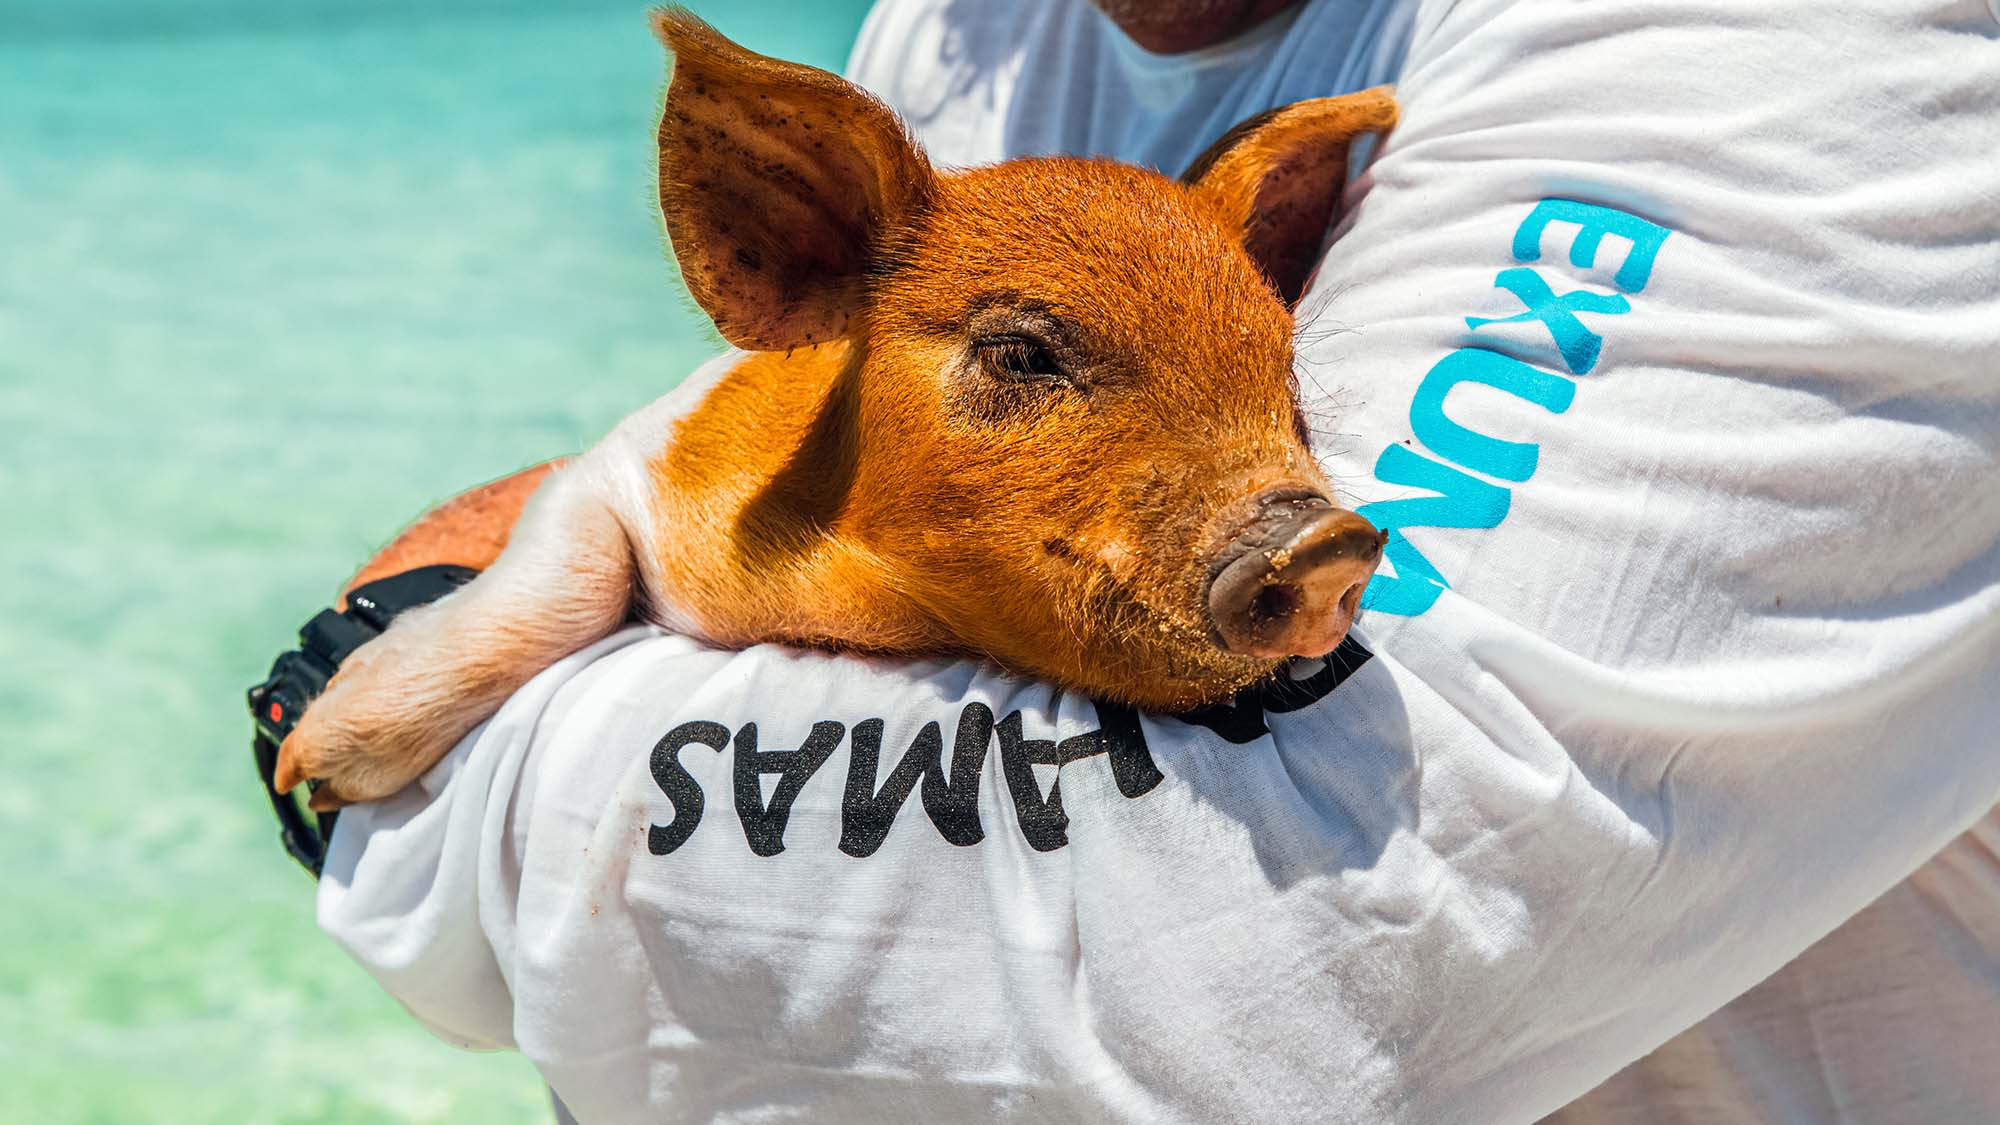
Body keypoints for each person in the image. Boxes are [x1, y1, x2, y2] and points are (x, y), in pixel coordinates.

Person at [309, 0, 2000, 1120]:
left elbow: (1250, 968)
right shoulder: (976, 29)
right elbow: (775, 455)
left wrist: (423, 724)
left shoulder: (1790, 52)